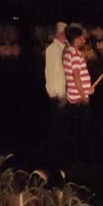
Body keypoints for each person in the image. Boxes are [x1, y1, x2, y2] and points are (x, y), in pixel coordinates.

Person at [63, 26, 94, 160]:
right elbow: (76, 77)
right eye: (81, 37)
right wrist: (84, 95)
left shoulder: (68, 52)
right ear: (76, 39)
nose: (84, 40)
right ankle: (83, 157)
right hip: (80, 99)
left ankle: (76, 155)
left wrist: (88, 89)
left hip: (74, 97)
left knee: (76, 129)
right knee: (83, 129)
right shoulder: (75, 55)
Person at [45, 21, 67, 160]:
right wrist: (61, 96)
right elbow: (55, 75)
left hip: (60, 95)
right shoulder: (54, 50)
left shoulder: (61, 49)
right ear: (60, 34)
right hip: (57, 96)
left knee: (61, 128)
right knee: (58, 129)